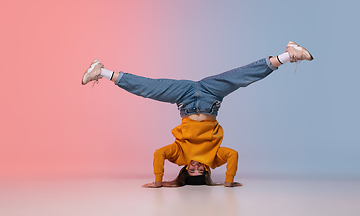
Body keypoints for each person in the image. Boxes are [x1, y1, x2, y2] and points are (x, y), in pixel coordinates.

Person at [81, 41, 313, 188]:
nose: (196, 167)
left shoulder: (179, 155)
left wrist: (159, 181)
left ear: (184, 170)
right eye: (200, 171)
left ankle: (101, 71)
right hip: (211, 98)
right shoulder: (215, 158)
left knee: (147, 88)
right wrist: (229, 182)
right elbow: (232, 155)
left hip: (185, 100)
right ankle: (288, 55)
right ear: (207, 171)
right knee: (241, 77)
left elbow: (159, 154)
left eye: (191, 171)